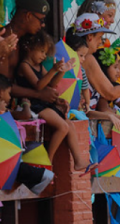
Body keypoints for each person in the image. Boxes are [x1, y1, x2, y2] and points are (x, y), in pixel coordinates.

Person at [16, 31, 89, 170]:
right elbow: (39, 85)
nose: (44, 56)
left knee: (69, 124)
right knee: (63, 127)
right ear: (29, 48)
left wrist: (61, 71)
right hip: (33, 104)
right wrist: (53, 70)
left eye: (46, 53)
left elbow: (50, 84)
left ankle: (78, 161)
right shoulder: (24, 65)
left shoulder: (40, 66)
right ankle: (47, 161)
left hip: (43, 103)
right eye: (42, 51)